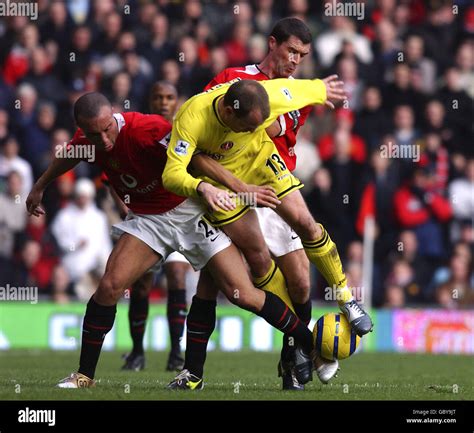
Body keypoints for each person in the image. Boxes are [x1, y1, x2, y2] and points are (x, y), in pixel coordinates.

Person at [26, 92, 319, 389]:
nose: (102, 140)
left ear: (113, 114)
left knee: (241, 294)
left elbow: (196, 157)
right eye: (93, 134)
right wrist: (40, 187)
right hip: (150, 221)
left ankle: (309, 344)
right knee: (110, 286)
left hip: (191, 212)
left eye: (106, 130)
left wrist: (225, 188)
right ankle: (84, 376)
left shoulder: (146, 129)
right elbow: (69, 156)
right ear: (82, 128)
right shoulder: (87, 139)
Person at [163, 77, 373, 389]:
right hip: (223, 188)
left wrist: (322, 90)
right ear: (231, 114)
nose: (253, 131)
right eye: (249, 126)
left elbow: (301, 90)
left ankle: (344, 296)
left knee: (306, 223)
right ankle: (303, 343)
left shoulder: (268, 93)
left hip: (262, 163)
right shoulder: (192, 116)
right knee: (257, 258)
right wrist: (202, 187)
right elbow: (172, 172)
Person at [189, 17, 338, 390]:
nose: (294, 61)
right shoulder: (230, 76)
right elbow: (208, 121)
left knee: (301, 281)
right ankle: (192, 372)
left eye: (302, 56)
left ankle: (292, 357)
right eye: (290, 51)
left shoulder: (297, 93)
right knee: (215, 282)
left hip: (274, 189)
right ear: (272, 43)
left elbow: (270, 129)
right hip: (230, 187)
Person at [105, 81, 190, 372]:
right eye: (158, 97)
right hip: (145, 217)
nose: (164, 102)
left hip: (179, 215)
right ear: (151, 100)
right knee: (140, 286)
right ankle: (137, 351)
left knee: (177, 277)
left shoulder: (185, 131)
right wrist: (124, 205)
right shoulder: (137, 131)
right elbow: (112, 176)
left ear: (177, 101)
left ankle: (176, 353)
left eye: (169, 97)